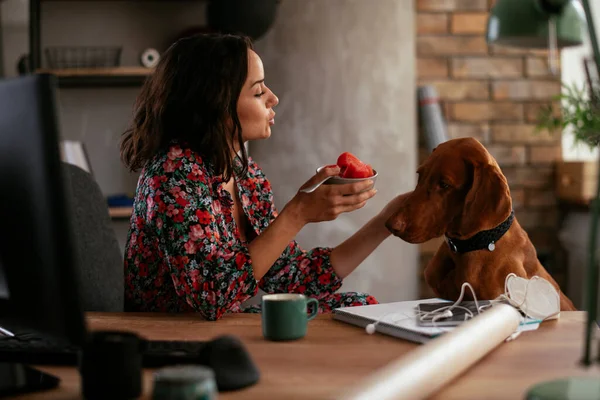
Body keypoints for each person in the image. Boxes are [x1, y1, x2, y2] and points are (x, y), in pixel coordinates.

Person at [120, 33, 402, 321]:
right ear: (216, 104)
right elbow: (212, 296)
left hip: (220, 326)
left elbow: (291, 278)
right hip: (171, 334)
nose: (273, 98)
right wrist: (297, 213)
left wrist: (385, 222)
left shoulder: (245, 174)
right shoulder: (172, 174)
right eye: (258, 92)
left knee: (360, 306)